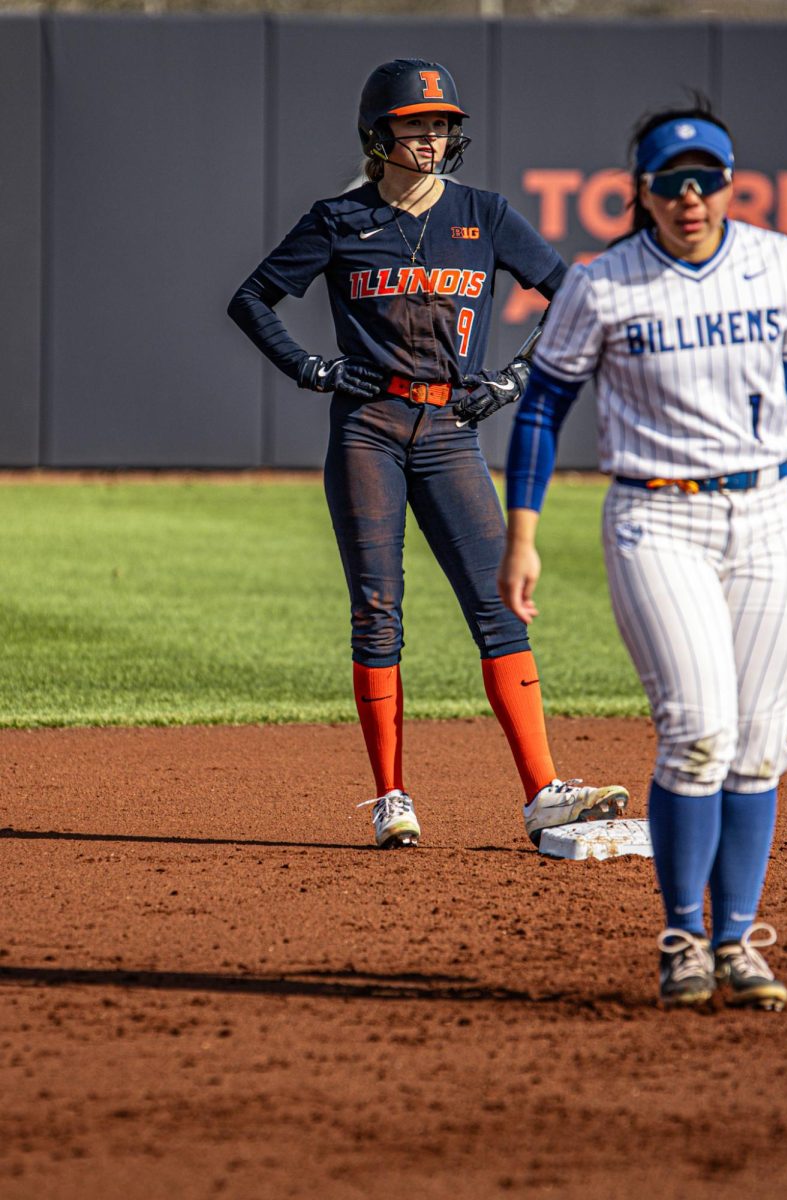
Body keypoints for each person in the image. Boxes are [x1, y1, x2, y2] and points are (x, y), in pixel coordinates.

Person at [228, 57, 628, 850]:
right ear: (379, 135)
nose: (434, 137)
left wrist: (513, 376)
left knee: (497, 605)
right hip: (368, 428)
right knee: (378, 612)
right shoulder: (339, 220)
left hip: (450, 432)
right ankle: (391, 797)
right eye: (416, 124)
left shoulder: (484, 212)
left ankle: (544, 793)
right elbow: (251, 299)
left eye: (443, 124)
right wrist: (310, 369)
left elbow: (574, 295)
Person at [501, 100, 787, 1010]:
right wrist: (523, 532)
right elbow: (545, 405)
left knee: (758, 749)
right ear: (643, 194)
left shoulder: (778, 265)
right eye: (672, 184)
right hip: (656, 518)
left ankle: (736, 939)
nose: (692, 197)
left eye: (707, 178)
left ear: (729, 182)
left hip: (765, 515)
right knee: (698, 731)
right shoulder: (605, 283)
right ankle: (681, 935)